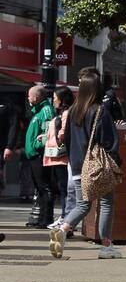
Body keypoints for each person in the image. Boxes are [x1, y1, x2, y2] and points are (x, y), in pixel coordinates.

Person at [50, 69, 122, 259]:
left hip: (77, 166)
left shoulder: (72, 111)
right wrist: (117, 161)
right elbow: (109, 141)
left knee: (83, 205)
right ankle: (106, 246)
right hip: (97, 167)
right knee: (106, 203)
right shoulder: (100, 111)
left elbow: (68, 139)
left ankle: (63, 230)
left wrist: (74, 163)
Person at [22, 86, 57, 229]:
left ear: (36, 97)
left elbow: (48, 131)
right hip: (34, 156)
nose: (28, 99)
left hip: (39, 155)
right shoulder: (38, 110)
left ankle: (46, 219)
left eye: (29, 96)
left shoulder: (46, 111)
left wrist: (37, 146)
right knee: (40, 187)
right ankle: (42, 218)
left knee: (44, 187)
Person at [43, 87, 73, 229]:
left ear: (62, 99)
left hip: (61, 157)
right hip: (58, 156)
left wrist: (58, 138)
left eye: (55, 98)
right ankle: (64, 217)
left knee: (64, 189)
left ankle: (65, 219)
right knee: (62, 188)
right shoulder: (62, 113)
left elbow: (63, 133)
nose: (53, 100)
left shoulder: (66, 113)